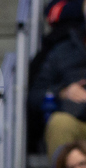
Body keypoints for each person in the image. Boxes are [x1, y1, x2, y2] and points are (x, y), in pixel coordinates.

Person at [30, 13, 86, 159]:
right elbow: (34, 96)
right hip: (76, 122)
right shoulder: (62, 49)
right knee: (59, 123)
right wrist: (62, 92)